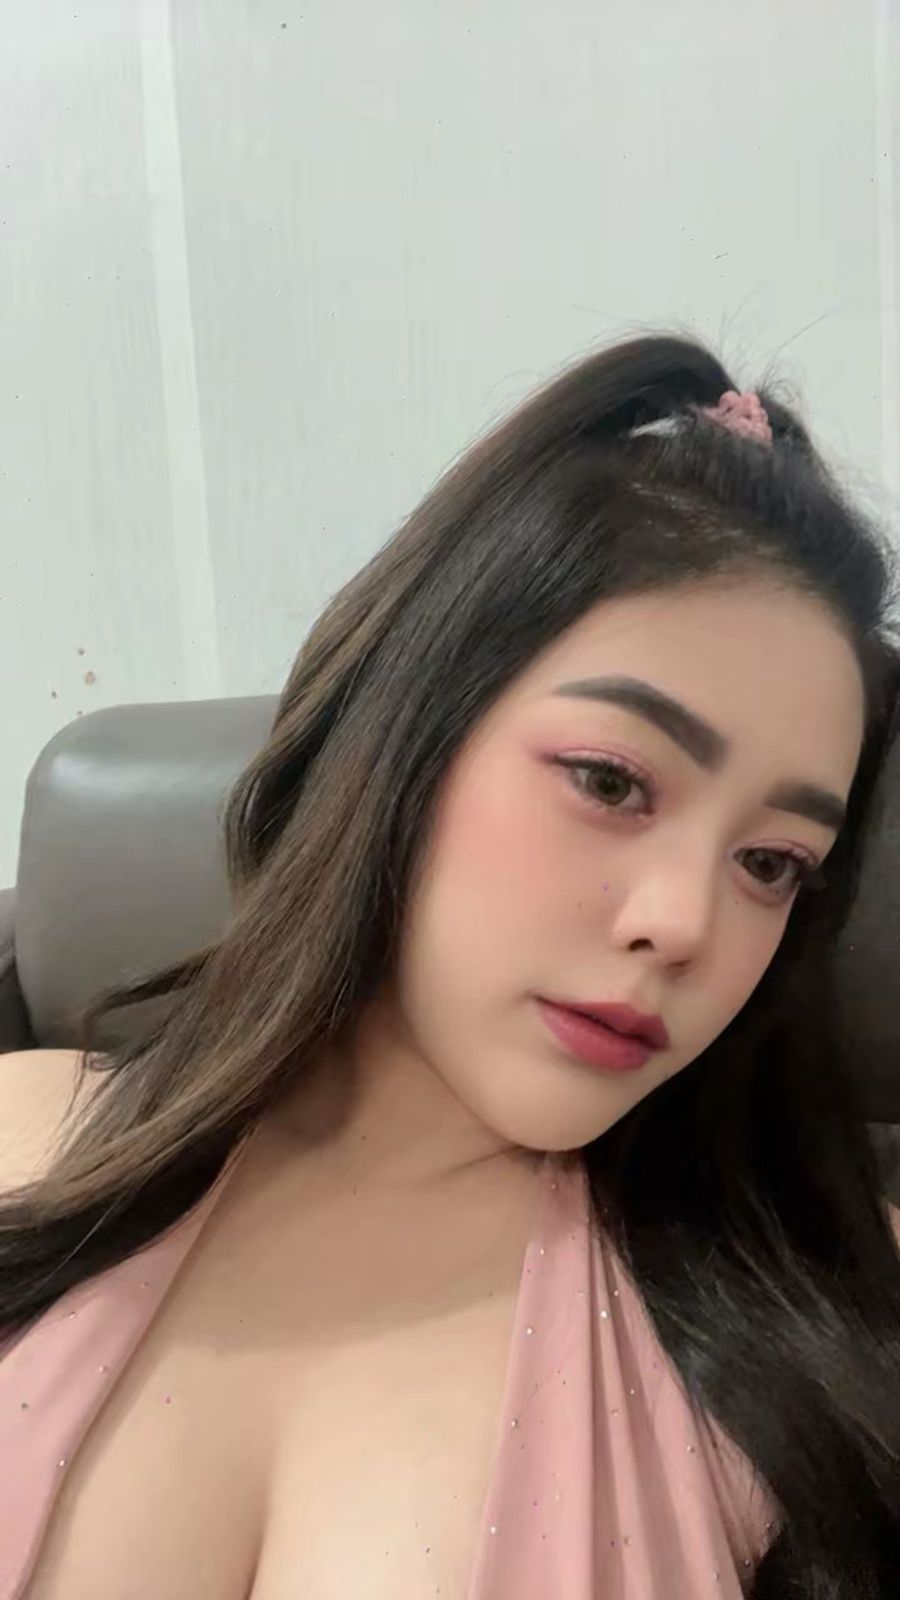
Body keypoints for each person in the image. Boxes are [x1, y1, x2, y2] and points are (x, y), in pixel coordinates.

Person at [1, 335, 899, 1600]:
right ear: (406, 732)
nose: (684, 923)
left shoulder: (822, 1307)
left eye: (771, 862)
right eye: (611, 782)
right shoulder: (25, 1135)